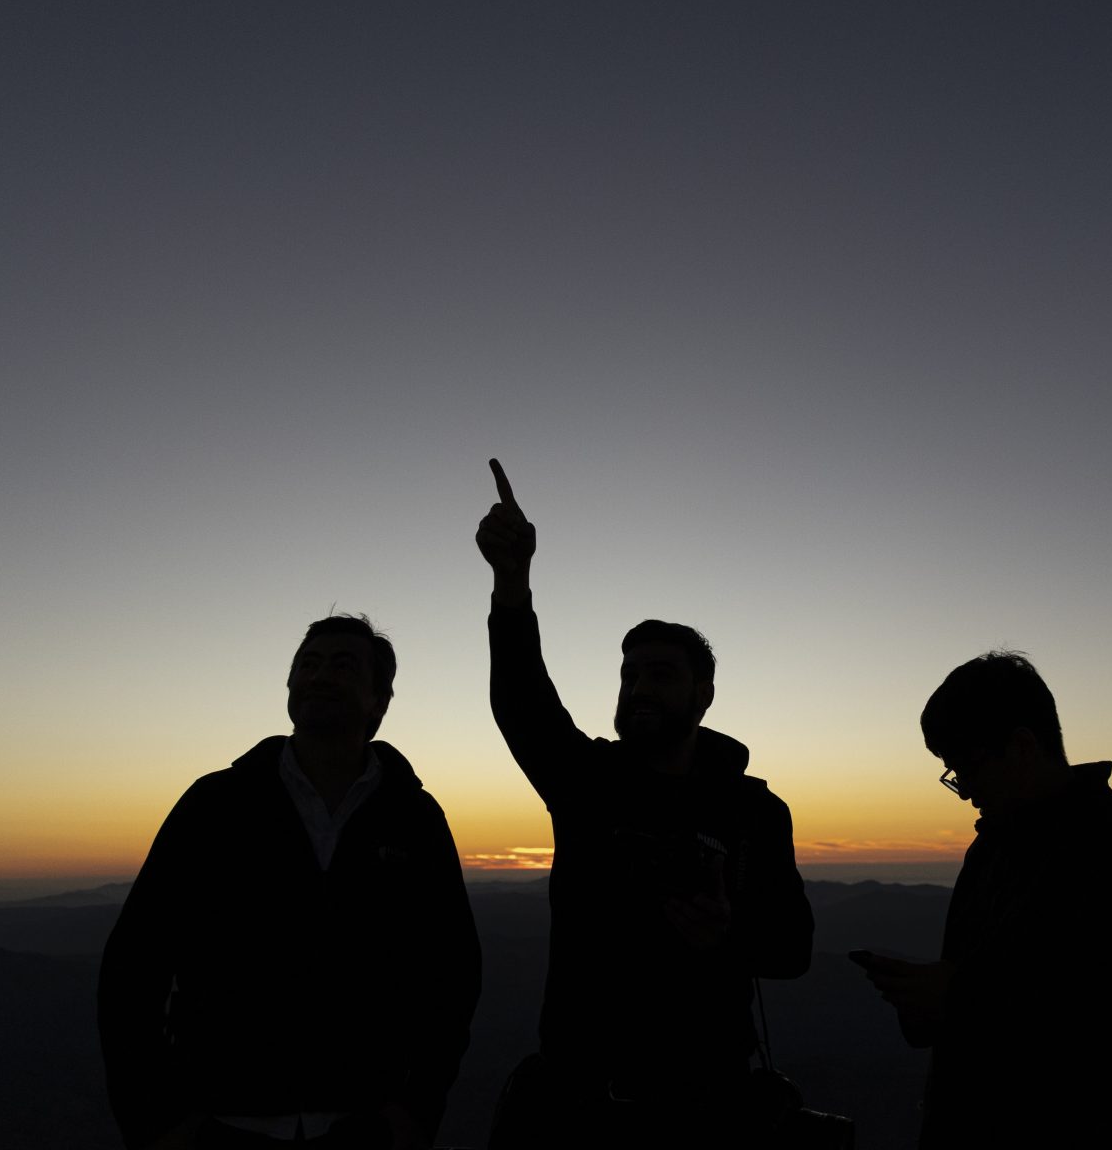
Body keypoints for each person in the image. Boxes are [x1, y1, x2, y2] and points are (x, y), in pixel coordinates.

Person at [475, 459, 814, 1148]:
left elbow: (793, 949)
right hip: (578, 1104)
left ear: (703, 694)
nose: (638, 690)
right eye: (629, 675)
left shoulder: (756, 813)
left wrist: (728, 934)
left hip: (706, 1106)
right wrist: (511, 585)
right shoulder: (587, 781)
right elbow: (523, 704)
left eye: (661, 675)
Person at [98, 614, 481, 1150]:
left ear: (379, 701)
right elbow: (133, 965)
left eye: (343, 666)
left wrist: (416, 1111)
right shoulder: (216, 804)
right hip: (220, 1123)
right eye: (309, 664)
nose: (320, 676)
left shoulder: (413, 817)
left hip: (365, 1126)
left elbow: (452, 972)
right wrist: (158, 1121)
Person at [855, 652, 1112, 1148]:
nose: (965, 790)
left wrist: (956, 996)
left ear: (1020, 746)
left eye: (966, 767)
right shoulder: (993, 849)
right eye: (952, 772)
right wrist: (925, 999)